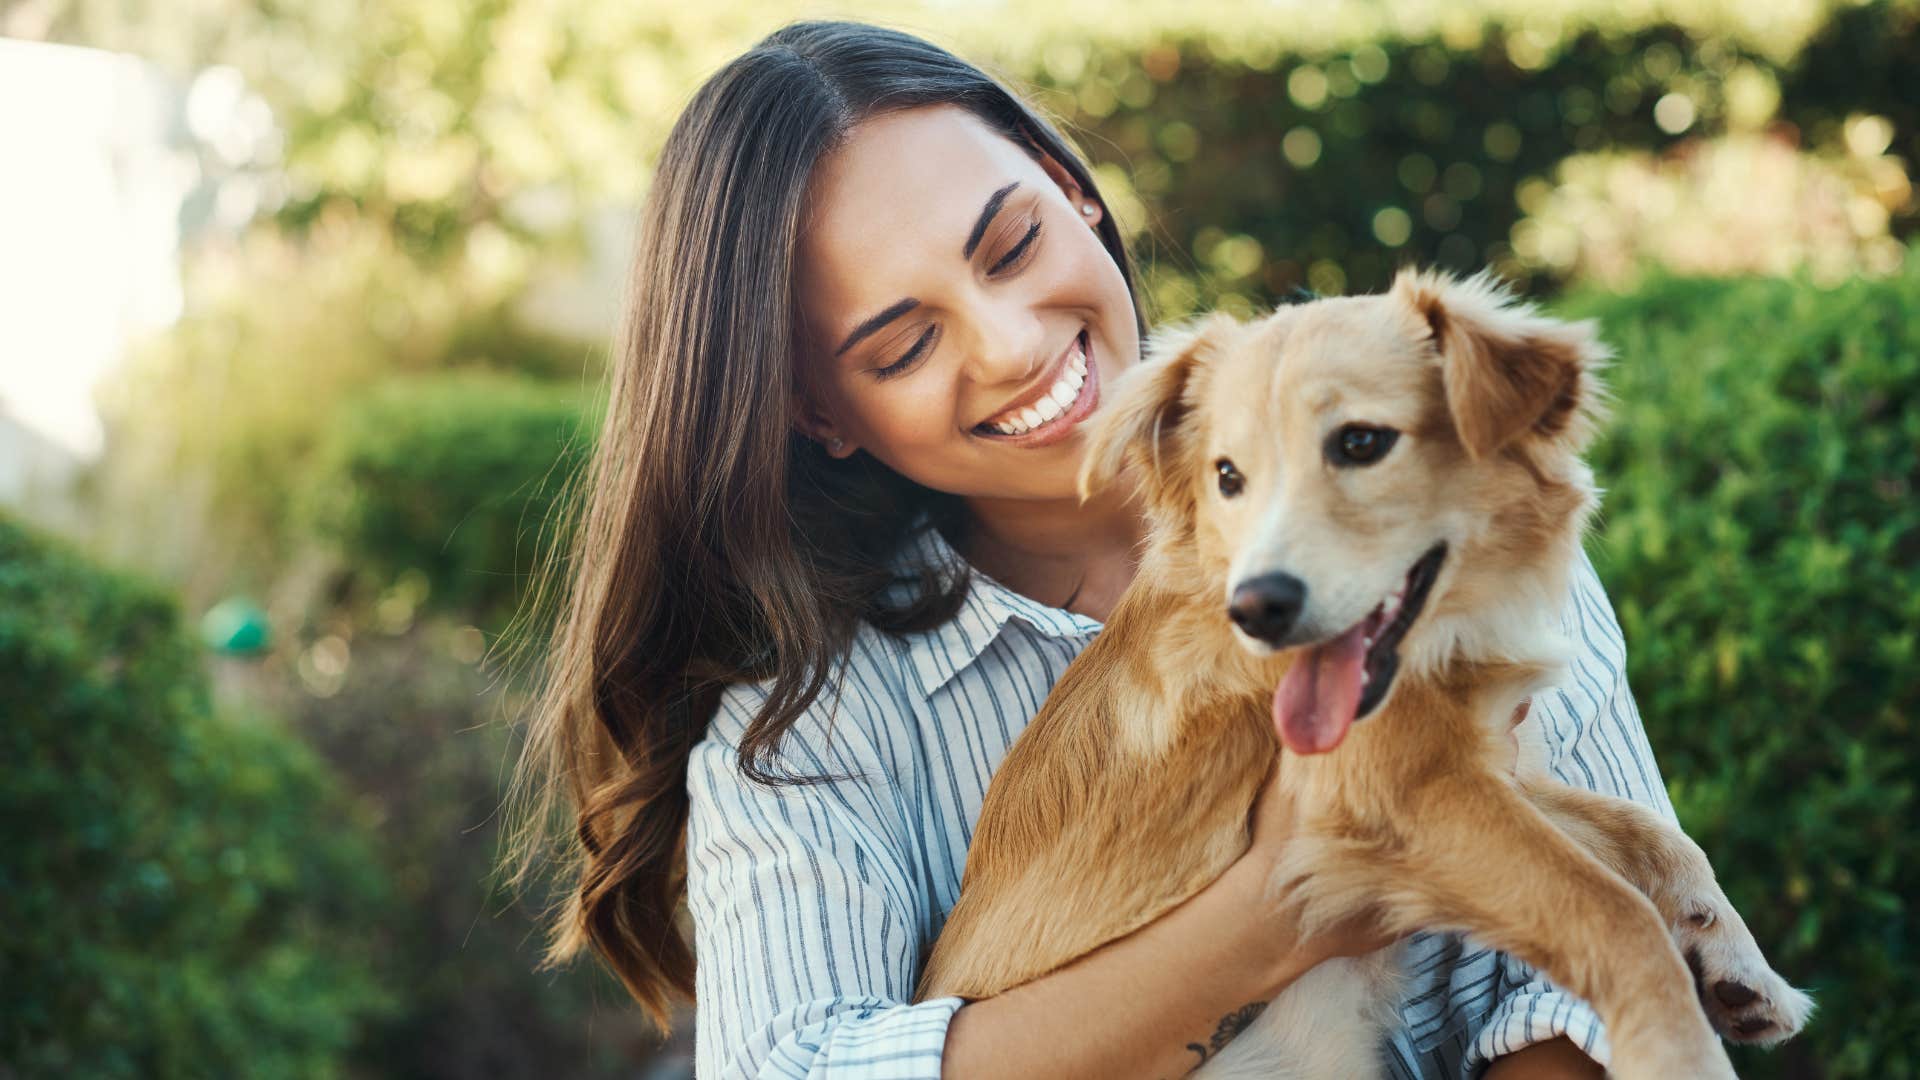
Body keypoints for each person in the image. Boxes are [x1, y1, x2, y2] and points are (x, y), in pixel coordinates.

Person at [509, 19, 1680, 1080]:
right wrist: (1272, 912)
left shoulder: (1437, 513)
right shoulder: (808, 725)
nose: (1013, 346)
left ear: (1072, 192)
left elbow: (1575, 998)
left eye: (1011, 246)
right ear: (818, 414)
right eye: (903, 346)